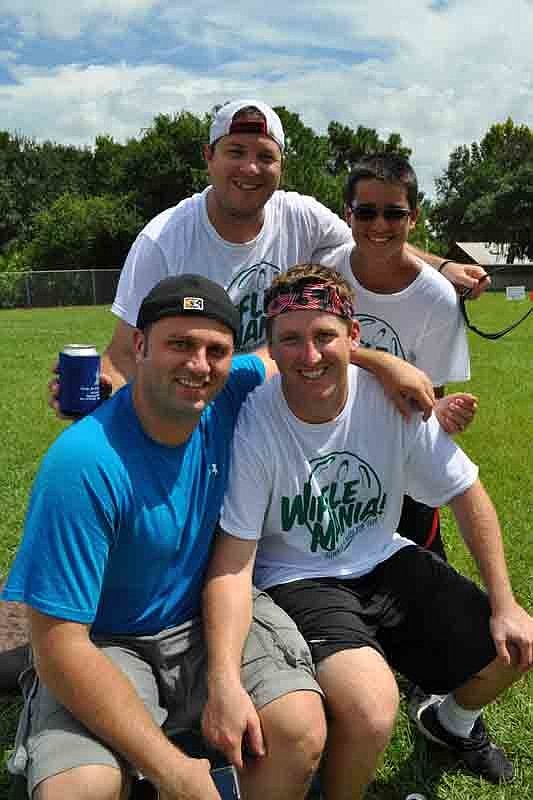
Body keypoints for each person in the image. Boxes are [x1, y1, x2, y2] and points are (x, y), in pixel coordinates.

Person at [202, 264, 533, 800]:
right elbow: (234, 560)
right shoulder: (256, 421)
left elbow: (466, 491)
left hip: (383, 556)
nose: (308, 356)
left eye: (324, 336)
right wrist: (224, 677)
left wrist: (505, 601)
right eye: (290, 340)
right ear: (271, 346)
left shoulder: (389, 398)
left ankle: (449, 722)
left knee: (515, 646)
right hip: (299, 575)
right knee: (372, 706)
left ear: (353, 338)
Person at [1, 275, 327, 800]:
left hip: (203, 617)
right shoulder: (84, 463)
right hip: (104, 642)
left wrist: (386, 364)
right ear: (139, 346)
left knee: (298, 728)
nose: (199, 365)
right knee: (78, 789)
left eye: (215, 349)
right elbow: (58, 644)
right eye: (179, 343)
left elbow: (293, 353)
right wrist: (174, 772)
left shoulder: (226, 392)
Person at [51, 98, 490, 401]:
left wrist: (444, 265)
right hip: (203, 407)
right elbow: (126, 350)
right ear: (209, 156)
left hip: (286, 413)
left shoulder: (301, 215)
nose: (250, 168)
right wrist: (102, 384)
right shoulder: (164, 239)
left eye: (265, 155)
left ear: (281, 164)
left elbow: (373, 235)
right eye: (235, 152)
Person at [320, 152, 478, 560]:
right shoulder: (325, 276)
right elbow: (310, 358)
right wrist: (384, 364)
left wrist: (442, 409)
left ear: (414, 217)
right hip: (329, 443)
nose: (378, 225)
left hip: (399, 451)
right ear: (347, 214)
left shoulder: (437, 298)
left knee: (419, 565)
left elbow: (431, 396)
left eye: (393, 213)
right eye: (366, 212)